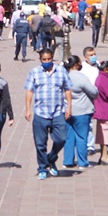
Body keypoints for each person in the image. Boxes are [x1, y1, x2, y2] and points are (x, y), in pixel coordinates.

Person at [23, 48, 73, 180]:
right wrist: (28, 109)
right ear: (40, 60)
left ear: (52, 58)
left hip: (58, 112)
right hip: (41, 113)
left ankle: (51, 158)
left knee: (61, 138)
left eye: (49, 59)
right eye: (44, 60)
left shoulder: (61, 71)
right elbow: (29, 91)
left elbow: (67, 89)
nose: (47, 62)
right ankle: (42, 167)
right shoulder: (34, 72)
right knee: (40, 143)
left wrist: (69, 107)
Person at [61, 55, 98, 170]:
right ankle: (82, 162)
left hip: (67, 111)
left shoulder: (63, 77)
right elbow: (94, 92)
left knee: (69, 137)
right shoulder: (81, 78)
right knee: (82, 137)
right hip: (82, 111)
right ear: (77, 64)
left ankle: (68, 161)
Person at [79, 47, 101, 155]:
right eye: (91, 55)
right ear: (85, 57)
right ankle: (89, 145)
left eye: (94, 54)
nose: (93, 57)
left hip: (99, 96)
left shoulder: (99, 65)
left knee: (103, 120)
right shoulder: (82, 68)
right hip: (87, 96)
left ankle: (107, 145)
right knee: (89, 123)